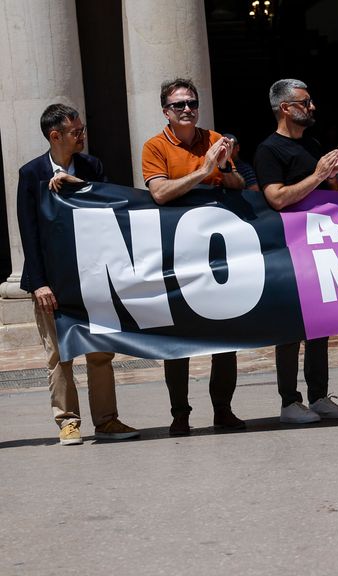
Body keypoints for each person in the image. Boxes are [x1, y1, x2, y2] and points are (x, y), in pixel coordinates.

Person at [17, 103, 139, 445]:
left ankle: (107, 420)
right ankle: (68, 422)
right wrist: (38, 282)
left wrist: (79, 184)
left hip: (91, 276)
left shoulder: (91, 166)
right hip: (51, 283)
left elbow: (109, 206)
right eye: (76, 131)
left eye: (81, 129)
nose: (82, 135)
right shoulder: (31, 174)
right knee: (59, 355)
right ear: (56, 136)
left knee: (100, 351)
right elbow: (29, 231)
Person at [141, 78, 247, 436]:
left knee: (226, 332)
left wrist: (224, 171)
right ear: (165, 112)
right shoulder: (153, 147)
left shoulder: (216, 140)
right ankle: (180, 414)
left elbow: (238, 185)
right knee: (177, 338)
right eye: (178, 105)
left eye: (191, 103)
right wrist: (204, 172)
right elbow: (159, 193)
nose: (187, 109)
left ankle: (223, 409)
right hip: (175, 251)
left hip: (217, 251)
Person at [253, 78, 338, 424]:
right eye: (304, 102)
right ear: (285, 108)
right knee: (292, 328)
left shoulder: (310, 143)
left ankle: (319, 395)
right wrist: (318, 175)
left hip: (319, 246)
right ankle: (289, 401)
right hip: (288, 250)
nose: (311, 107)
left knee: (320, 325)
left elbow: (325, 189)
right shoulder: (269, 150)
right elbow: (277, 197)